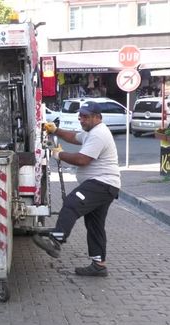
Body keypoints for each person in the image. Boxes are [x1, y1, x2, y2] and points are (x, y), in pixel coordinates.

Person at [35, 101, 121, 277]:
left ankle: (57, 239)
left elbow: (82, 160)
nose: (82, 119)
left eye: (86, 117)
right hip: (105, 185)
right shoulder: (91, 132)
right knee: (95, 225)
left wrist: (59, 154)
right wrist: (55, 130)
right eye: (80, 116)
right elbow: (74, 137)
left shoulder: (99, 134)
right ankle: (99, 265)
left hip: (101, 183)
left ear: (98, 118)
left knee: (71, 204)